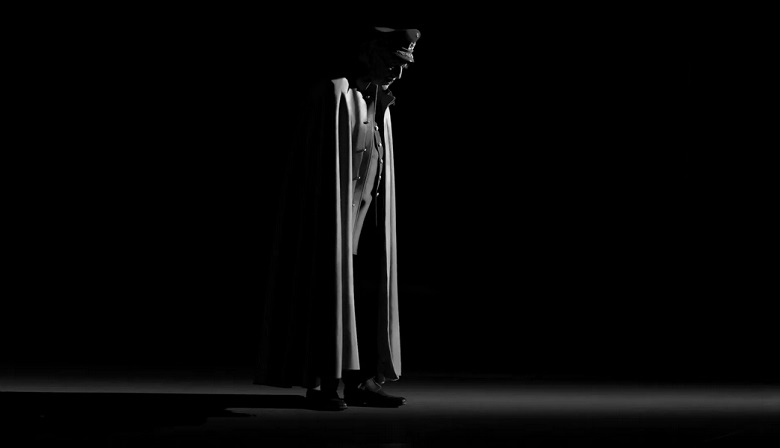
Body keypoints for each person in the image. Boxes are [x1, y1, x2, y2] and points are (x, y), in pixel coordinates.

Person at [253, 26, 421, 411]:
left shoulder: (381, 101)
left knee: (367, 298)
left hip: (369, 221)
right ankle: (325, 383)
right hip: (334, 219)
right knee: (330, 297)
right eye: (392, 61)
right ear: (370, 53)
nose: (398, 72)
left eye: (404, 65)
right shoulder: (335, 94)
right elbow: (314, 165)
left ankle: (362, 381)